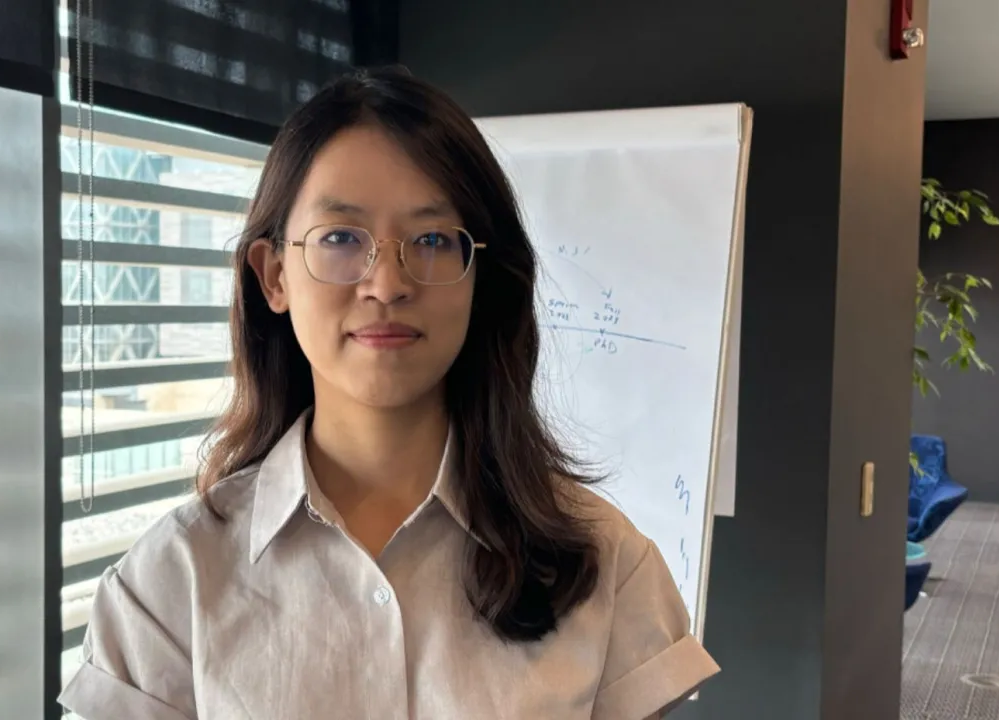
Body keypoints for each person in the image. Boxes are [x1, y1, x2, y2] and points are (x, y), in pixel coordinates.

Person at [58, 66, 719, 720]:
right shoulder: (170, 585)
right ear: (275, 276)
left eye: (431, 240)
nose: (387, 284)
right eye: (342, 238)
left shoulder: (606, 566)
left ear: (480, 277)